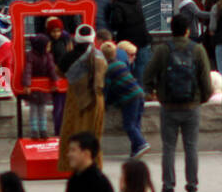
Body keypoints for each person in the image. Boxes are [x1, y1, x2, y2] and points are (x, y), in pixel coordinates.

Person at [144, 14, 213, 192]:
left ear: (171, 29)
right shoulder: (198, 50)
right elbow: (206, 81)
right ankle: (192, 188)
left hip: (169, 106)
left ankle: (168, 188)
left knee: (168, 148)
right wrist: (201, 99)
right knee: (191, 147)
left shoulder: (163, 50)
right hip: (192, 106)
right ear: (188, 30)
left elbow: (147, 75)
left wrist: (153, 92)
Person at [58, 25, 107, 172]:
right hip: (95, 99)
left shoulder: (68, 56)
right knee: (94, 133)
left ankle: (73, 166)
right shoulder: (99, 56)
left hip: (75, 99)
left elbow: (59, 72)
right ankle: (94, 165)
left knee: (72, 131)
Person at [102, 40, 149, 158]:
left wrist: (104, 102)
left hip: (129, 99)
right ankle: (135, 150)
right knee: (136, 124)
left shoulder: (108, 69)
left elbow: (106, 88)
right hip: (139, 94)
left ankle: (142, 143)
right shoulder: (122, 64)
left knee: (129, 125)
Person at [106, 0, 151, 83]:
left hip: (127, 39)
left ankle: (129, 88)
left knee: (125, 65)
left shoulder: (117, 3)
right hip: (142, 37)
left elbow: (117, 22)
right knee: (142, 65)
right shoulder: (136, 0)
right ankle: (141, 90)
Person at [23, 33, 57, 139]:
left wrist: (55, 81)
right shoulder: (31, 56)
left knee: (41, 109)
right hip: (34, 88)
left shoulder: (48, 56)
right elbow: (27, 70)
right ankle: (34, 131)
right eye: (47, 46)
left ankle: (43, 130)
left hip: (42, 89)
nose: (49, 48)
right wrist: (27, 84)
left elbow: (51, 69)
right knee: (34, 109)